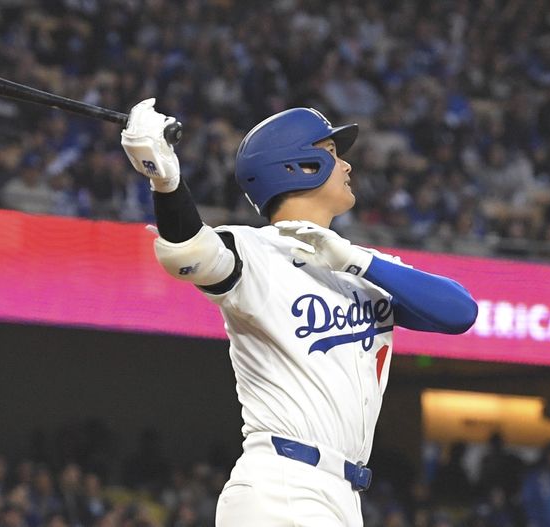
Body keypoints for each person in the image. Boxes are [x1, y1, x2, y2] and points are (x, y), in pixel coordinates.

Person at [120, 99, 478, 526]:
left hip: (343, 494)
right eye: (331, 153)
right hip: (282, 481)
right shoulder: (254, 248)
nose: (346, 166)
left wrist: (359, 262)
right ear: (299, 166)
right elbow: (189, 254)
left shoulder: (361, 265)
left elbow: (460, 312)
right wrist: (165, 177)